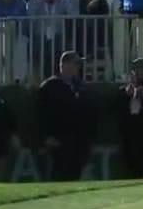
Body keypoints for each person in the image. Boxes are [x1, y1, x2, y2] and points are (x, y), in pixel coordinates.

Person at [36, 51, 97, 181]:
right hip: (59, 141)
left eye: (78, 65)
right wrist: (45, 137)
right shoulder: (49, 87)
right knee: (59, 176)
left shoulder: (80, 86)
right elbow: (40, 115)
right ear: (64, 65)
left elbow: (89, 112)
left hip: (79, 142)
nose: (78, 68)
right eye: (75, 64)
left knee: (75, 175)